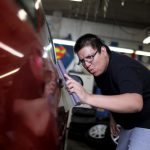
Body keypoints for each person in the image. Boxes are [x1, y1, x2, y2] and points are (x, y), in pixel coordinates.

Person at [64, 33, 150, 150]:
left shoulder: (123, 68)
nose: (87, 65)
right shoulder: (99, 71)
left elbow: (135, 103)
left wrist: (87, 97)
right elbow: (113, 94)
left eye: (89, 57)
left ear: (103, 50)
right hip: (131, 122)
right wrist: (113, 116)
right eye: (82, 61)